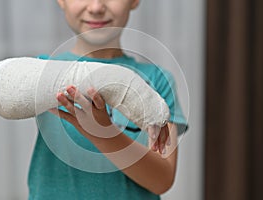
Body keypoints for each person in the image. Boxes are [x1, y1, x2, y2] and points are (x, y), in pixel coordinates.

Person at [28, 0, 187, 199]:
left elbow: (162, 180)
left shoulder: (157, 81)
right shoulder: (42, 71)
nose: (96, 8)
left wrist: (104, 133)